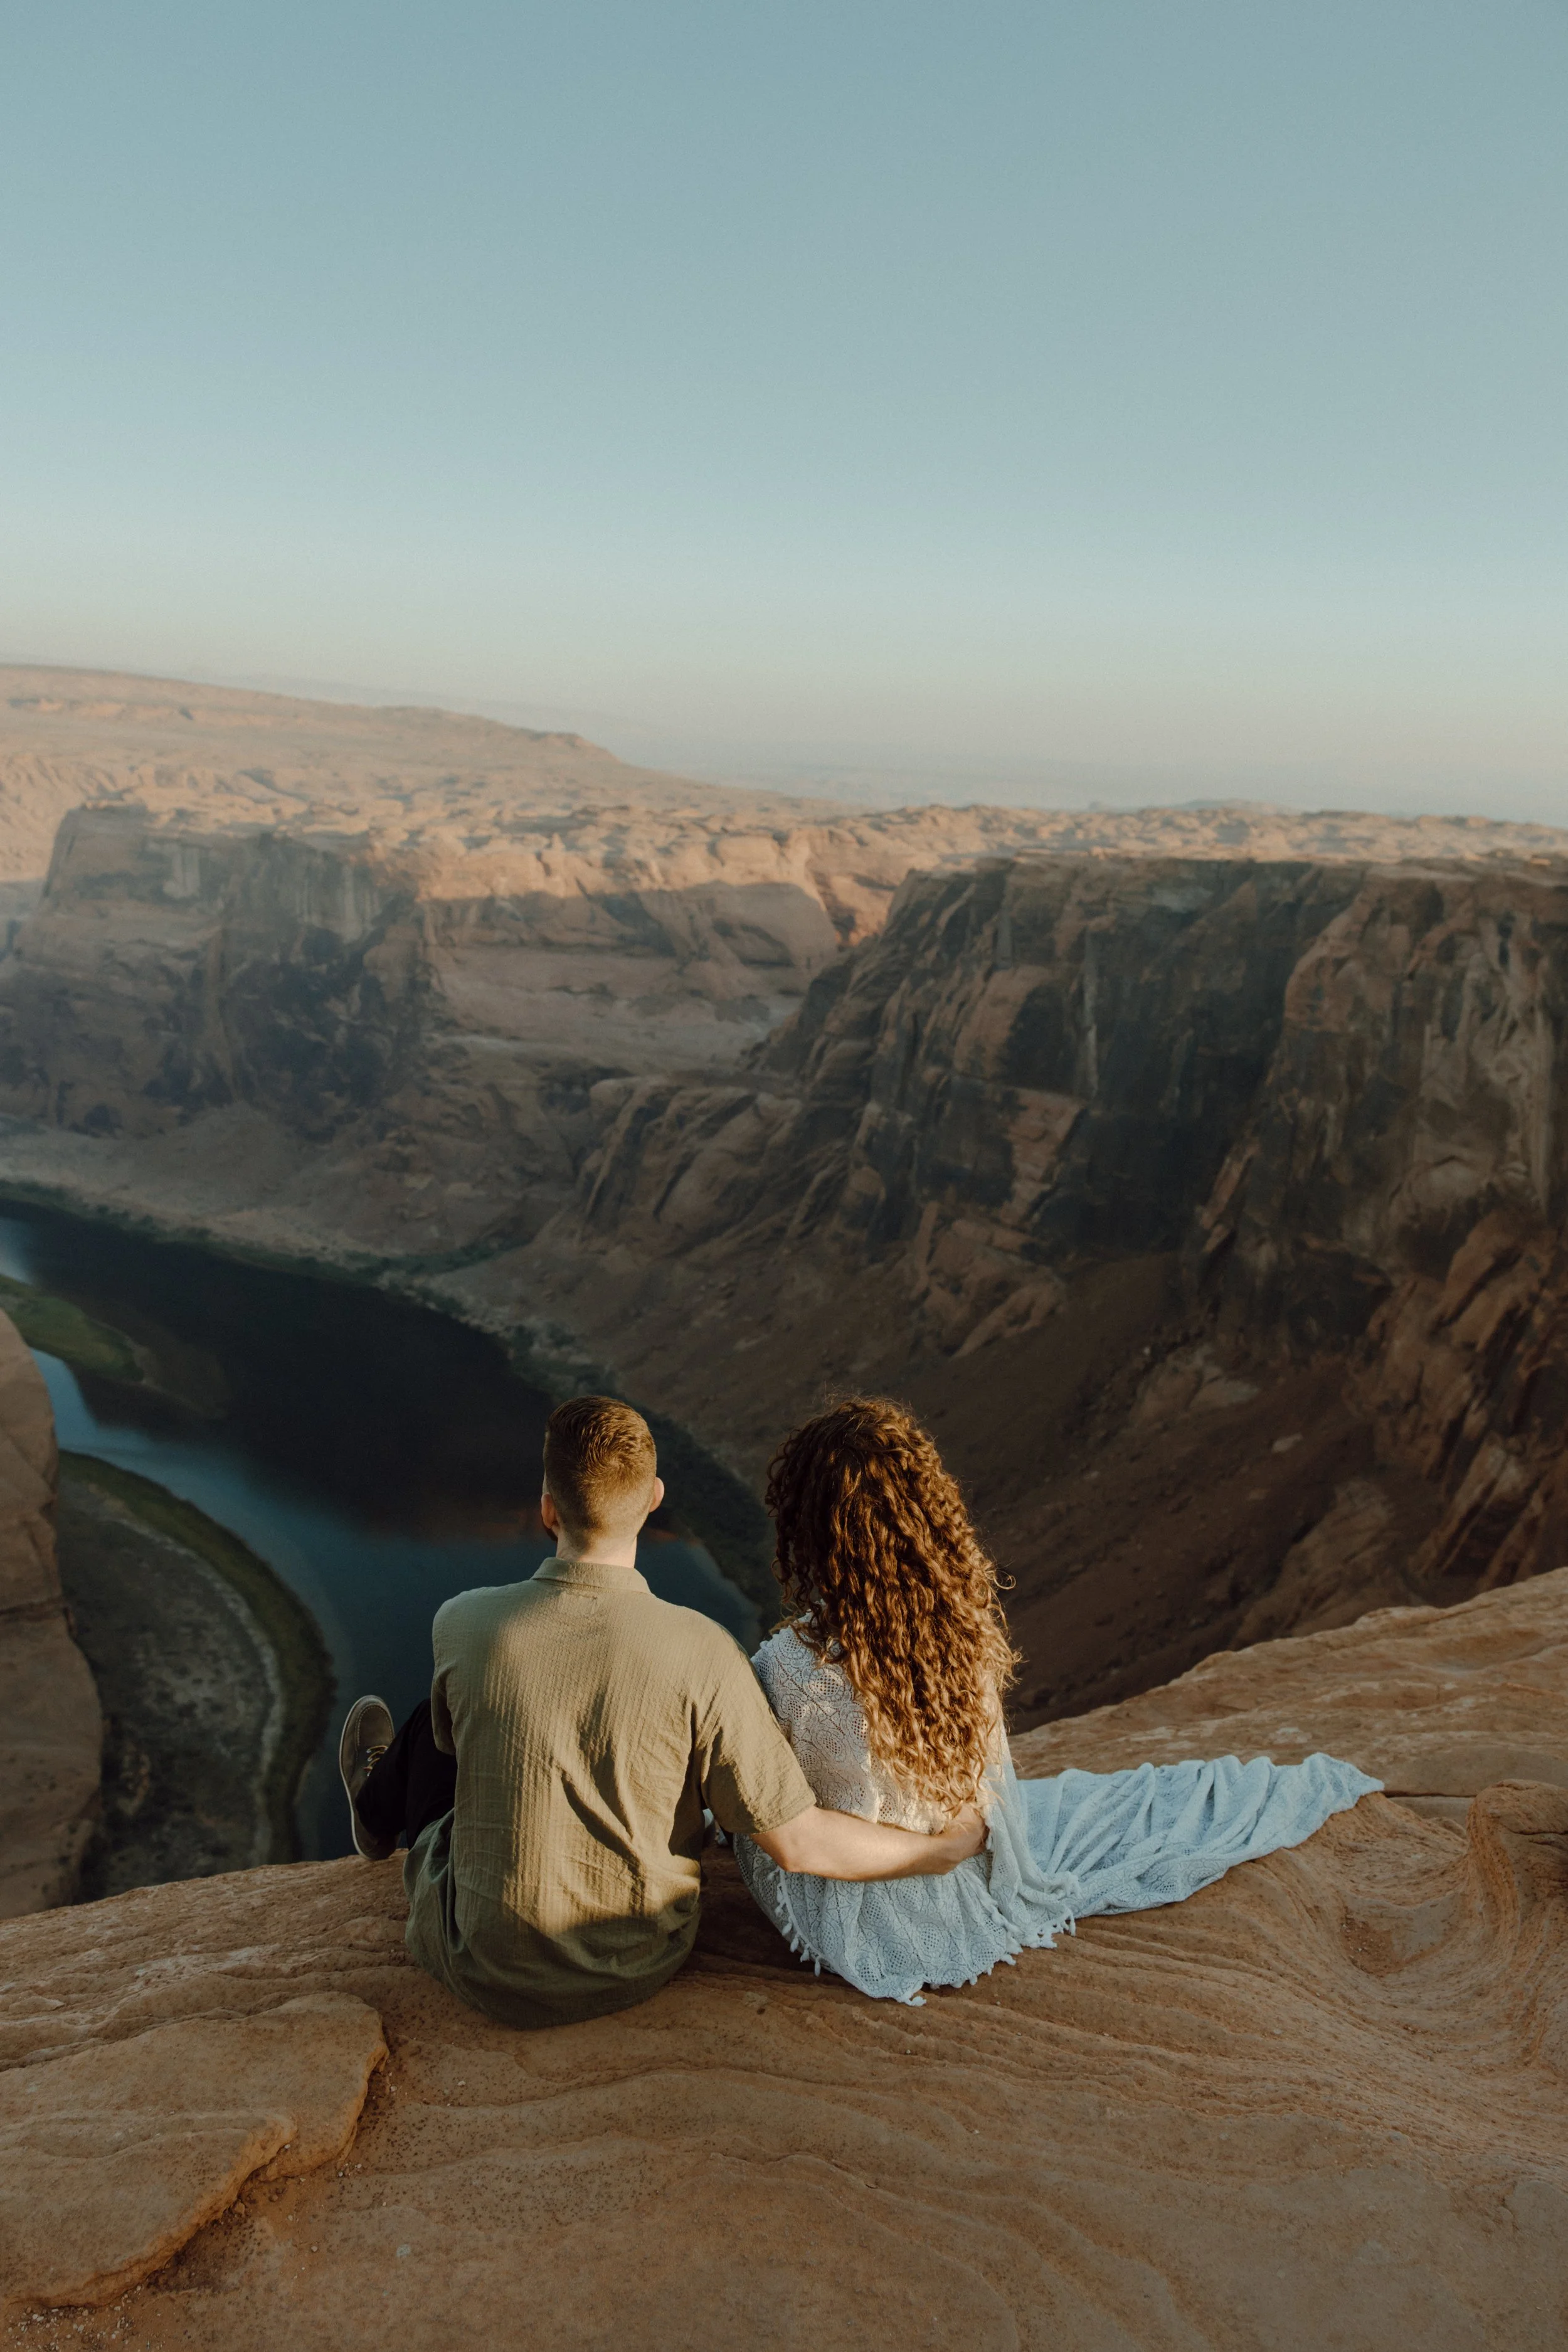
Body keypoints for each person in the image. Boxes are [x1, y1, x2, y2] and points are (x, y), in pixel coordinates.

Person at [337, 1394, 987, 2029]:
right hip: (637, 1962)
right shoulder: (705, 1652)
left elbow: (461, 1757)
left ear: (546, 1510)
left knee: (434, 1725)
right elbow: (797, 1840)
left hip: (478, 1960)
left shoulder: (464, 1621)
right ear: (653, 1500)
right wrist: (940, 1852)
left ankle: (374, 1806)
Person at [734, 1396, 1381, 2006]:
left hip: (858, 1914)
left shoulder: (791, 1670)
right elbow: (974, 1779)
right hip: (953, 1876)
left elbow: (784, 1821)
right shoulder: (953, 1632)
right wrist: (957, 1842)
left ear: (804, 1527)